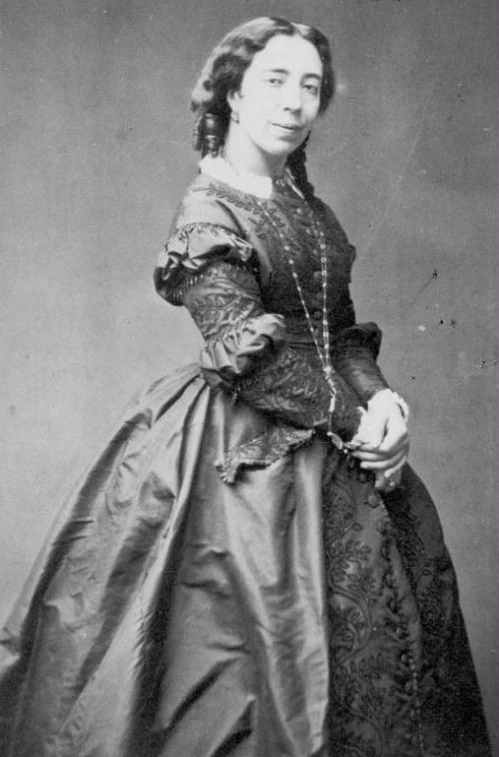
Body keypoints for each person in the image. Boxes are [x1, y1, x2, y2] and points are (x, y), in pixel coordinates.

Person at [0, 16, 491, 757]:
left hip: (338, 434)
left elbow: (339, 333)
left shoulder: (309, 210)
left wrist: (383, 400)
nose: (294, 102)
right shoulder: (207, 212)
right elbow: (252, 360)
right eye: (274, 81)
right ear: (231, 93)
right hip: (241, 455)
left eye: (310, 87)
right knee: (242, 669)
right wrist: (356, 424)